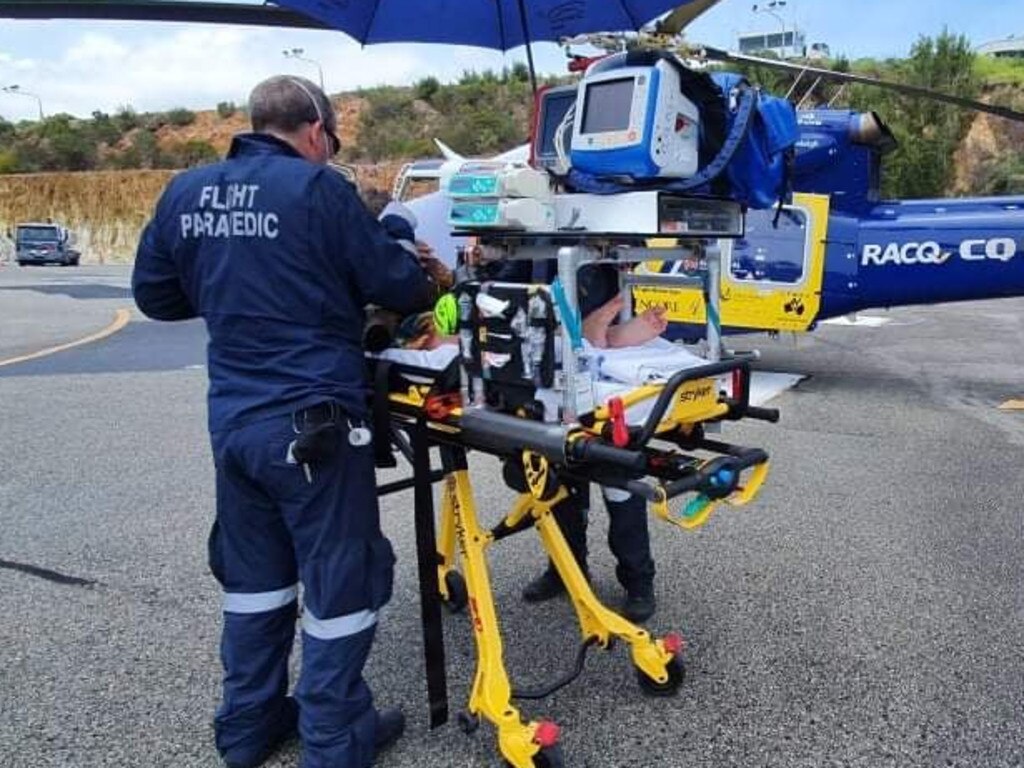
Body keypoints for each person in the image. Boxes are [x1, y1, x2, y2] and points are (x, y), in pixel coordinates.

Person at [132, 75, 444, 768]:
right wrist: (397, 244)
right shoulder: (318, 187)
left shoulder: (186, 190)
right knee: (341, 586)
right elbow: (399, 286)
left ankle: (248, 729)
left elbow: (154, 294)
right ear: (315, 131)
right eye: (329, 139)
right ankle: (335, 743)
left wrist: (234, 290)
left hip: (236, 426)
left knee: (255, 582)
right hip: (314, 426)